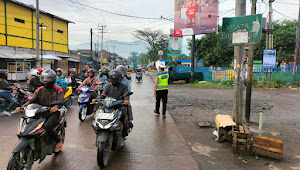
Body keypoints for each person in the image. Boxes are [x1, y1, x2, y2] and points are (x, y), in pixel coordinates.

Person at [15, 69, 64, 152]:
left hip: (53, 113)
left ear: (53, 79)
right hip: (40, 111)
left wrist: (55, 107)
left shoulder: (58, 89)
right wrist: (22, 106)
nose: (45, 80)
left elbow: (60, 101)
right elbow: (31, 100)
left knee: (47, 126)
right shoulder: (39, 89)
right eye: (44, 78)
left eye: (48, 79)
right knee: (29, 122)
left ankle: (58, 141)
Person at [100, 69, 131, 145]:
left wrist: (126, 100)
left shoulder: (124, 86)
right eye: (112, 79)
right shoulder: (108, 86)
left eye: (115, 79)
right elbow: (103, 95)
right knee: (100, 111)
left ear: (119, 79)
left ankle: (123, 135)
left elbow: (126, 95)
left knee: (124, 115)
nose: (114, 80)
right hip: (109, 105)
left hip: (119, 105)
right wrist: (98, 99)